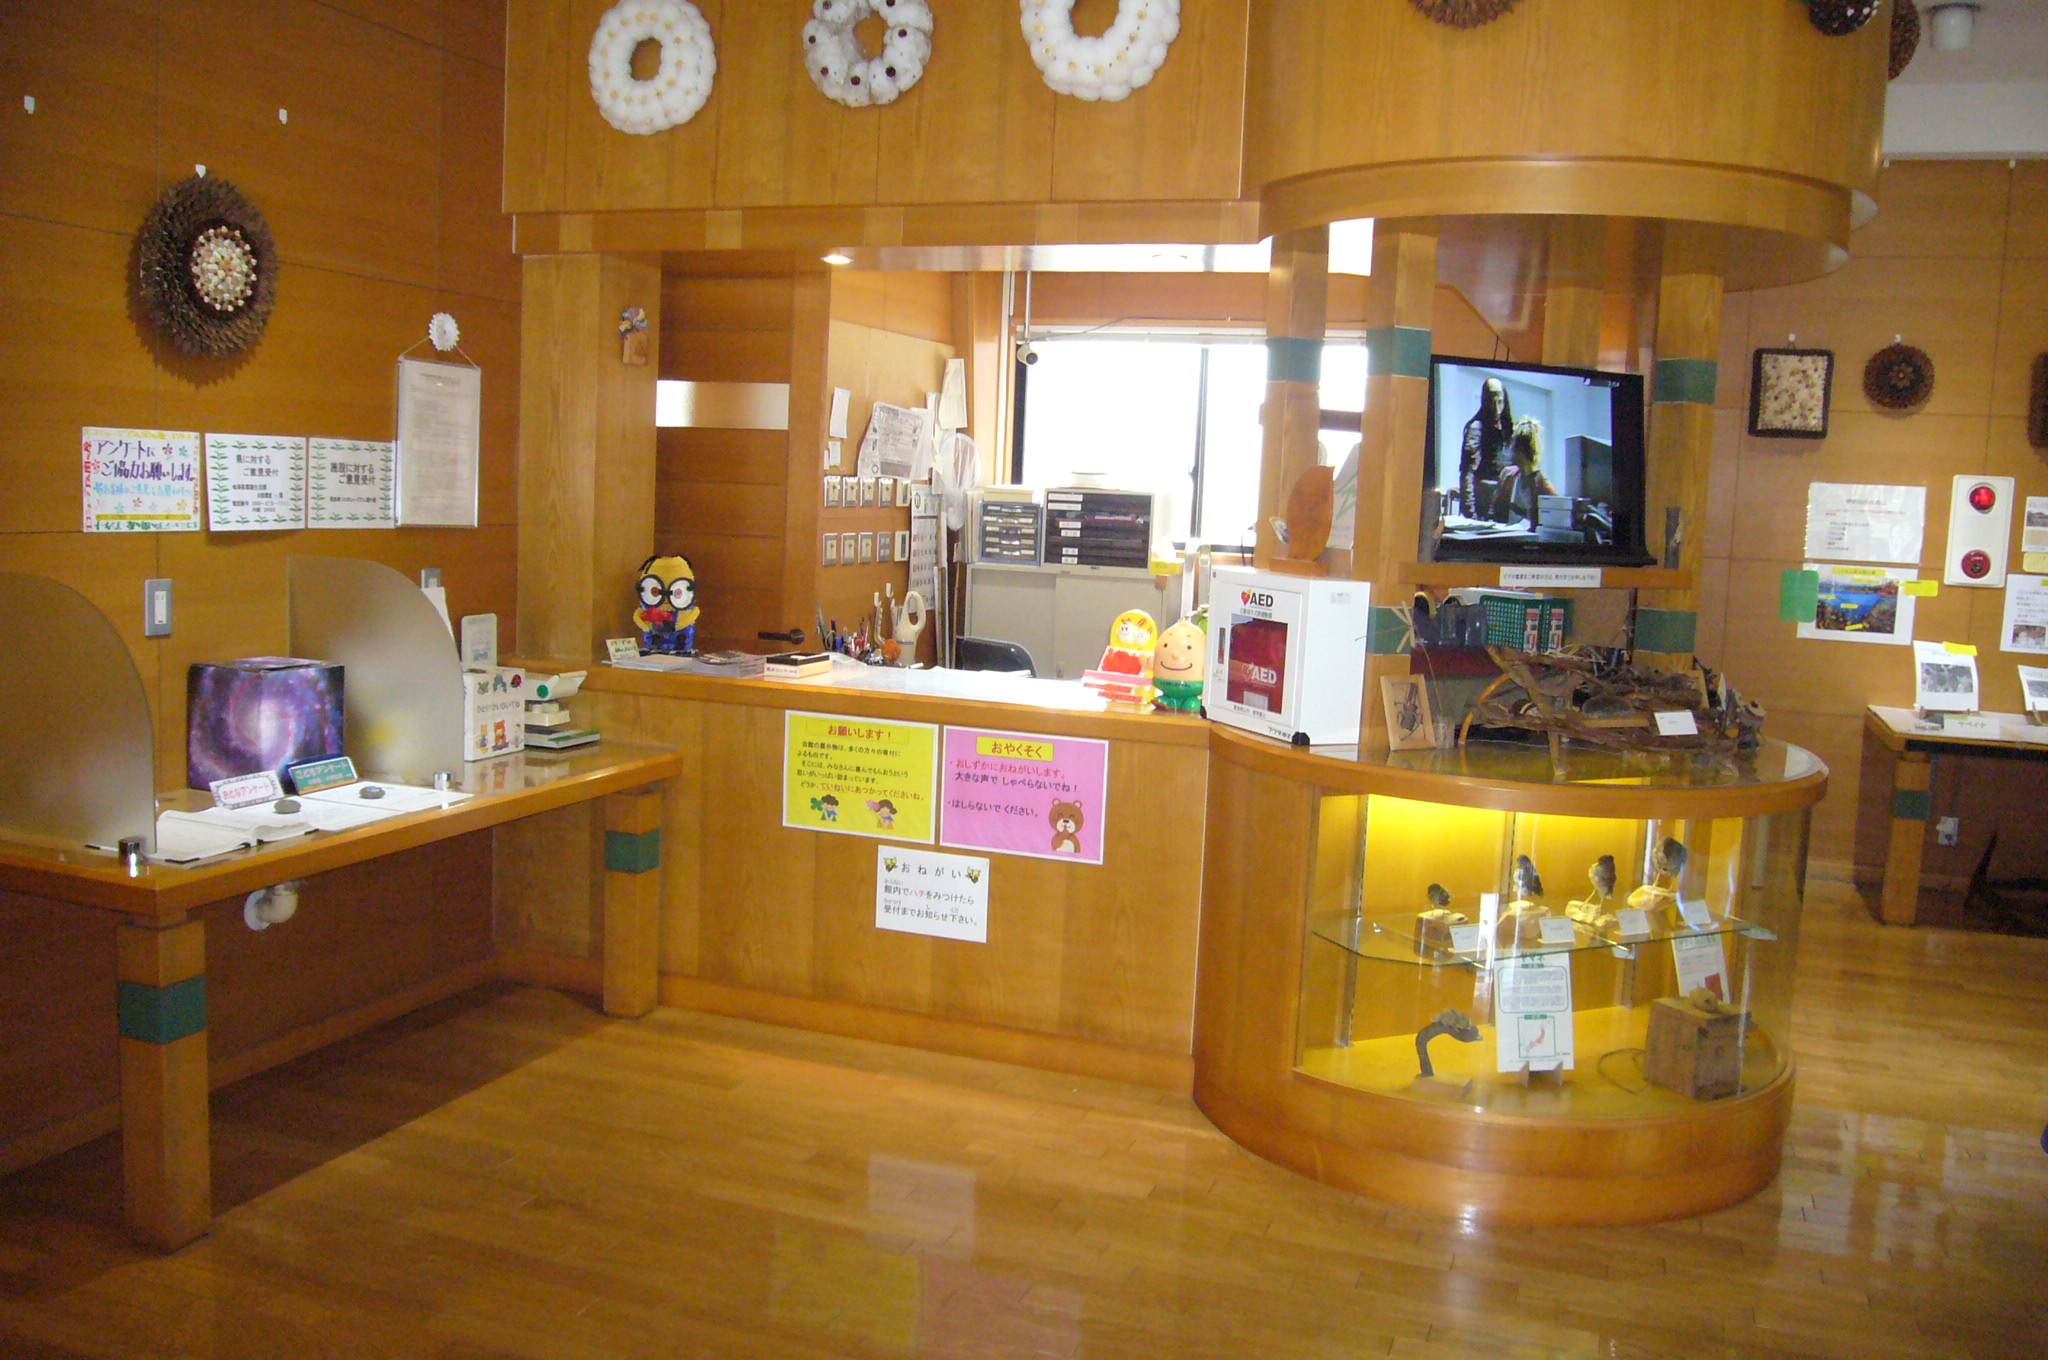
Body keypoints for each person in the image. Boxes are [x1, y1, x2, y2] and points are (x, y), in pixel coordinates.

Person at [1457, 378, 1516, 516]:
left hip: (1505, 505)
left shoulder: (1509, 429)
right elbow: (1467, 472)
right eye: (1492, 401)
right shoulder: (1476, 428)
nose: (1496, 408)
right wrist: (1470, 513)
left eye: (1500, 401)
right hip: (1483, 506)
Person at [1489, 419, 1559, 525]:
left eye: (1514, 447)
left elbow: (1554, 521)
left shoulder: (1543, 487)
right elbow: (1495, 513)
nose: (1511, 451)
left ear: (1526, 451)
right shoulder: (1507, 475)